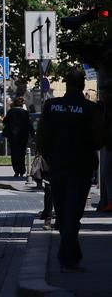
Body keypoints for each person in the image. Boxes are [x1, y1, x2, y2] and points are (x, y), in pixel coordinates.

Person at [37, 69, 104, 272]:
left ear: (66, 84)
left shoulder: (51, 106)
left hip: (57, 166)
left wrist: (50, 157)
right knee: (73, 213)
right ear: (82, 84)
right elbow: (99, 139)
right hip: (80, 167)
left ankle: (72, 256)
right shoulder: (89, 108)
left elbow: (41, 137)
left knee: (64, 213)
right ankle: (67, 258)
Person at [3, 96, 32, 177]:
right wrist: (32, 133)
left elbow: (5, 121)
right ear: (22, 104)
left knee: (14, 153)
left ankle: (16, 170)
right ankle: (22, 170)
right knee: (22, 153)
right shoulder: (25, 113)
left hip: (13, 135)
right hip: (23, 135)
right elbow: (29, 124)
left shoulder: (11, 111)